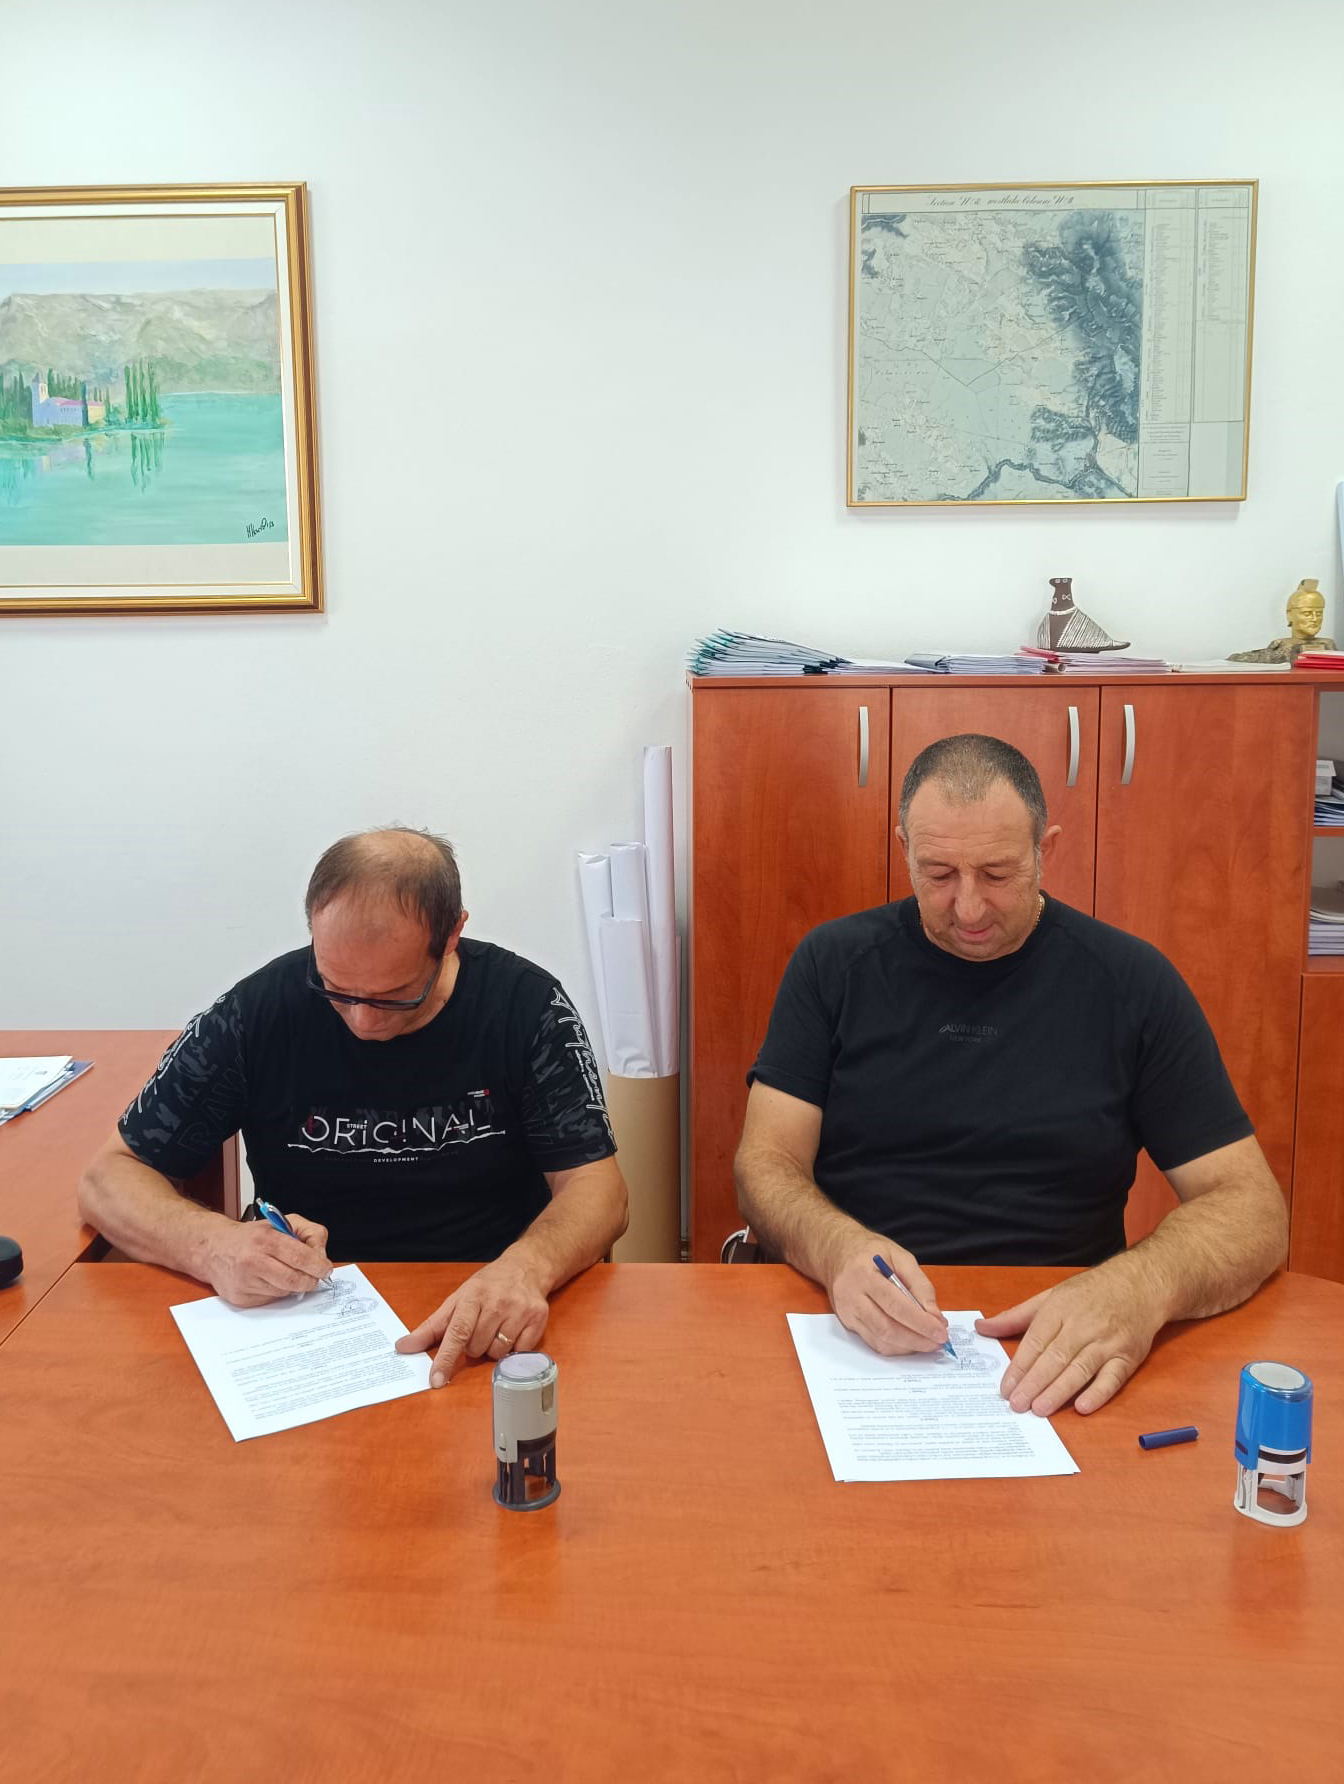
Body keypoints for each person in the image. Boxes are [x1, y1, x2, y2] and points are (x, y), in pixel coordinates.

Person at [733, 734, 1287, 1417]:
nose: (968, 908)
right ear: (903, 847)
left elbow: (1251, 1209)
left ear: (1044, 850)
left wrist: (1140, 1286)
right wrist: (835, 1248)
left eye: (997, 874)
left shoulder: (1131, 984)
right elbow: (764, 1164)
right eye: (938, 873)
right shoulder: (833, 965)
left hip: (1064, 1341)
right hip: (851, 1324)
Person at [79, 826, 628, 1387]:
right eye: (336, 989)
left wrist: (528, 1267)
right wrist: (211, 1245)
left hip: (488, 1306)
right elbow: (108, 1177)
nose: (363, 1022)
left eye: (395, 996)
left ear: (452, 935)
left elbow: (597, 1187)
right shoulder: (256, 1015)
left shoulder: (527, 1009)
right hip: (306, 1314)